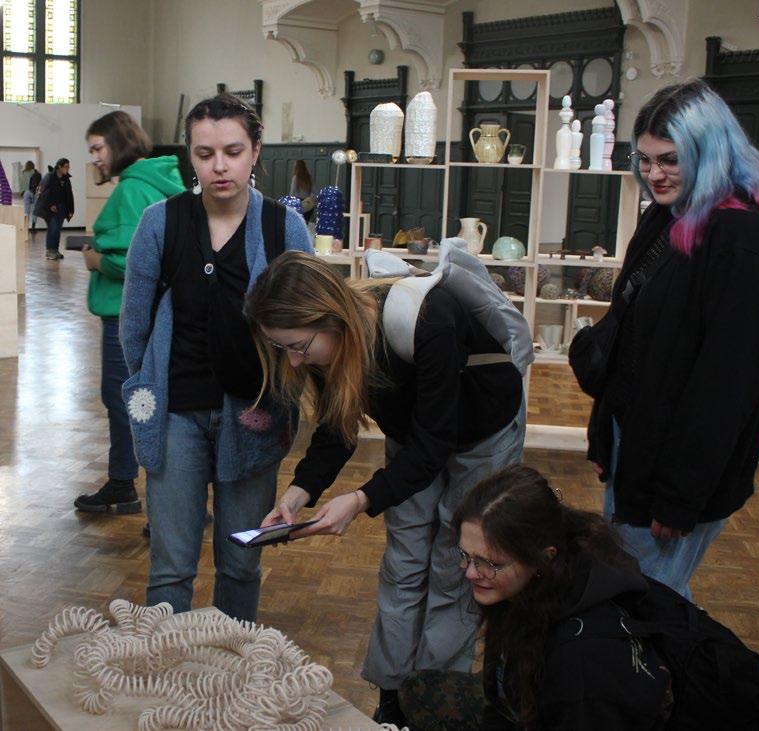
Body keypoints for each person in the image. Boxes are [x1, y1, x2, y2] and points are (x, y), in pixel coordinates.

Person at [245, 251, 527, 725]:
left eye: (298, 346)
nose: (293, 359)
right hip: (415, 434)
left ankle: (433, 700)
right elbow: (338, 425)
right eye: (282, 348)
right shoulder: (320, 340)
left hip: (483, 431)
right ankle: (394, 694)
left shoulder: (427, 317)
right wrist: (299, 492)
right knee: (403, 564)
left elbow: (434, 445)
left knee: (456, 566)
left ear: (331, 316)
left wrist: (361, 500)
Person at [584, 79, 759, 599]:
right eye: (645, 159)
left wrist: (680, 497)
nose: (653, 174)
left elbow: (727, 386)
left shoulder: (741, 240)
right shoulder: (666, 215)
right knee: (636, 595)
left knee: (645, 604)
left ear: (710, 152)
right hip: (636, 446)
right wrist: (604, 436)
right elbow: (628, 333)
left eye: (670, 160)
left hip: (675, 468)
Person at [120, 94, 313, 622]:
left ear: (256, 151)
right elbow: (134, 325)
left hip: (254, 413)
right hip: (175, 414)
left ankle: (231, 662)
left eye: (232, 151)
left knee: (242, 563)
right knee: (171, 567)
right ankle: (165, 664)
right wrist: (148, 385)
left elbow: (306, 323)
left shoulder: (283, 228)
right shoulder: (160, 223)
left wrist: (280, 393)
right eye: (205, 154)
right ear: (190, 155)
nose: (219, 166)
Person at [398, 464, 672, 731]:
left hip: (575, 708)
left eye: (490, 563)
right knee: (418, 689)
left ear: (543, 557)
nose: (470, 572)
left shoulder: (582, 660)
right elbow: (499, 702)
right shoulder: (523, 589)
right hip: (531, 706)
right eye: (465, 556)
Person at [73, 111, 185, 516]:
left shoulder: (132, 189)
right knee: (153, 402)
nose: (95, 158)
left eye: (98, 148)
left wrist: (97, 261)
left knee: (127, 402)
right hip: (154, 313)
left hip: (126, 315)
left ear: (118, 143)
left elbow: (136, 261)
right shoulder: (156, 181)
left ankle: (131, 487)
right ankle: (173, 497)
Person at [35, 157, 74, 260]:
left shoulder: (66, 179)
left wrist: (71, 210)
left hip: (61, 208)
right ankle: (49, 251)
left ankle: (55, 250)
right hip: (49, 209)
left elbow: (69, 195)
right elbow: (43, 193)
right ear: (59, 167)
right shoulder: (49, 177)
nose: (68, 169)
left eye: (68, 167)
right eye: (66, 167)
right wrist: (50, 205)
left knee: (57, 230)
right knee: (53, 228)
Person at [21, 161, 42, 233]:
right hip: (36, 193)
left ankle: (25, 229)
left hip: (27, 193)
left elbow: (22, 185)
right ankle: (33, 228)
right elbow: (40, 185)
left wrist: (22, 193)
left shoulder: (24, 173)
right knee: (34, 211)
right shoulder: (38, 174)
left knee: (26, 211)